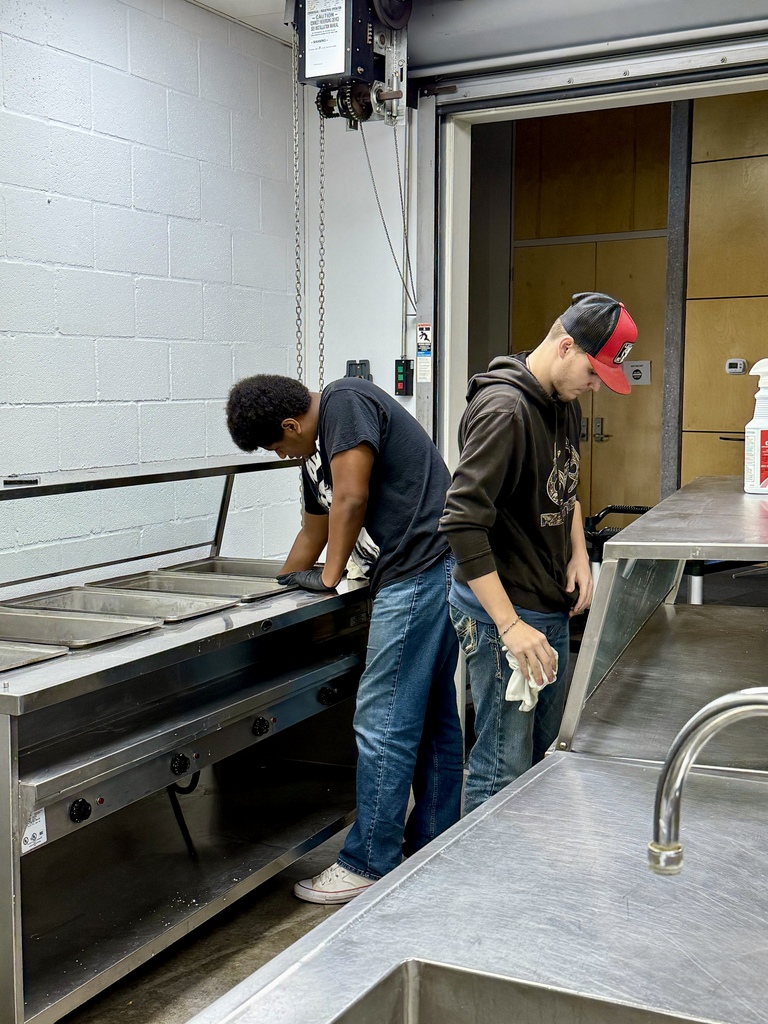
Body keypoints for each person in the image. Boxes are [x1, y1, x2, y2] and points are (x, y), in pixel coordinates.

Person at [226, 373, 464, 903]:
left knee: (382, 721)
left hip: (420, 571)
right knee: (429, 715)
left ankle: (368, 863)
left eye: (277, 446)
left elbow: (351, 502)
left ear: (291, 424)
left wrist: (329, 579)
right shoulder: (319, 452)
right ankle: (434, 841)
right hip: (429, 570)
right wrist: (279, 589)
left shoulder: (345, 402)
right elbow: (316, 526)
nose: (283, 456)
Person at [439, 291, 638, 814]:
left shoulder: (561, 402)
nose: (594, 388)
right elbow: (461, 523)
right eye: (593, 374)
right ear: (566, 346)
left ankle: (527, 874)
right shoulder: (505, 412)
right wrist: (508, 627)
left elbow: (563, 486)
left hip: (545, 600)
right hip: (502, 610)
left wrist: (578, 552)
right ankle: (484, 882)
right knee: (502, 765)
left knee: (547, 749)